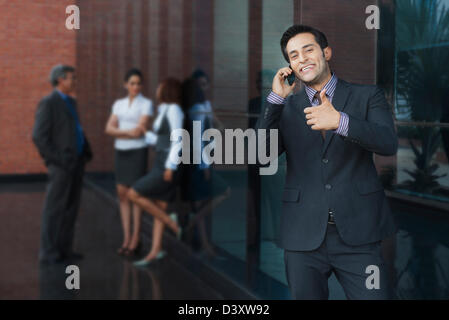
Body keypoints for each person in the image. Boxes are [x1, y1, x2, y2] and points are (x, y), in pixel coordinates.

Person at [256, 25, 398, 299]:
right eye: (293, 55)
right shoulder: (285, 108)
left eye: (308, 50)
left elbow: (387, 142)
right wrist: (275, 100)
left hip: (360, 234)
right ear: (290, 66)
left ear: (326, 52)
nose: (302, 59)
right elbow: (260, 155)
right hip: (302, 235)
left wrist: (341, 122)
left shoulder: (367, 96)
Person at [32, 64, 93, 264]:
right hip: (61, 165)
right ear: (60, 80)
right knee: (54, 209)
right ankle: (48, 252)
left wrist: (85, 150)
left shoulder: (71, 102)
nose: (75, 82)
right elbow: (39, 137)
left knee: (71, 209)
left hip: (77, 162)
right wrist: (56, 159)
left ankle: (65, 250)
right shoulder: (48, 103)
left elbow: (75, 128)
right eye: (72, 78)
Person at [127, 78, 184, 267]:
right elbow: (161, 139)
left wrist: (170, 167)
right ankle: (155, 251)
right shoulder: (164, 109)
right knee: (158, 207)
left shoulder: (174, 110)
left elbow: (178, 139)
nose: (157, 89)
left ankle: (172, 223)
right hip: (161, 160)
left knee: (133, 193)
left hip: (167, 164)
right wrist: (146, 133)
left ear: (167, 90)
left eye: (160, 87)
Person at [105, 68, 153, 256]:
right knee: (122, 194)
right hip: (121, 152)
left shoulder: (146, 103)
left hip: (137, 152)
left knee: (135, 194)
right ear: (126, 84)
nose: (135, 86)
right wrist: (126, 133)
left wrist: (119, 132)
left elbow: (140, 130)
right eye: (132, 83)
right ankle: (126, 237)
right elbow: (108, 128)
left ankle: (136, 238)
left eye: (138, 83)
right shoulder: (118, 104)